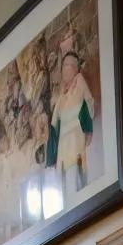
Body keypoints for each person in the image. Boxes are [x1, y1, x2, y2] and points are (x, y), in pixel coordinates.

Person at [46, 47, 96, 197]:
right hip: (63, 144)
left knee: (75, 178)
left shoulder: (79, 82)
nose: (65, 70)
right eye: (64, 67)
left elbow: (89, 104)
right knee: (63, 188)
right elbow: (55, 126)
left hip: (75, 138)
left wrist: (86, 127)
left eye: (69, 66)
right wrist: (51, 157)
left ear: (75, 69)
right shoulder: (60, 98)